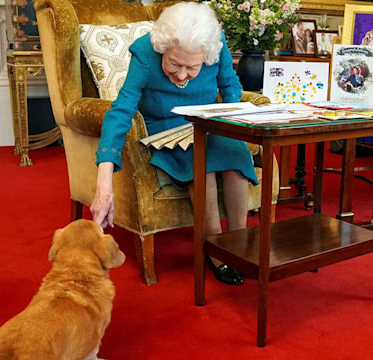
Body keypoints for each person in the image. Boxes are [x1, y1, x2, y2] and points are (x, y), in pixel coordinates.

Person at [91, 2, 255, 286]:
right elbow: (121, 110)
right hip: (164, 127)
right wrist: (104, 181)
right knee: (202, 168)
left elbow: (230, 89)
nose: (181, 75)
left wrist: (236, 127)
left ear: (206, 55)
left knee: (236, 162)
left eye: (192, 67)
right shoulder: (144, 51)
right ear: (163, 47)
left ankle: (237, 245)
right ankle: (215, 251)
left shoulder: (217, 45)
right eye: (174, 64)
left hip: (208, 122)